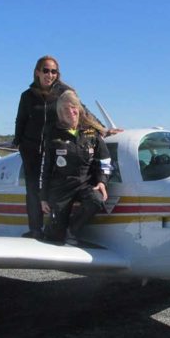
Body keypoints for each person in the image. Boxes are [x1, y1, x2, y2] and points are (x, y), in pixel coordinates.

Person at [12, 55, 111, 239]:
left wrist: (103, 130)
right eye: (46, 71)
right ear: (37, 72)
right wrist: (17, 141)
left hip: (55, 143)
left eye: (53, 71)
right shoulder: (27, 96)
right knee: (33, 188)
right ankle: (35, 229)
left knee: (54, 184)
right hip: (32, 147)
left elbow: (82, 111)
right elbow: (21, 119)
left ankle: (60, 224)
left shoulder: (64, 92)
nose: (50, 75)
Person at [39, 90, 111, 245]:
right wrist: (43, 197)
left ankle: (73, 230)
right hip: (61, 188)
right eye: (65, 109)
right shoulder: (53, 135)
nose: (70, 112)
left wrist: (102, 182)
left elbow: (104, 160)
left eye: (73, 107)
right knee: (55, 237)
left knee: (97, 200)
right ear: (60, 113)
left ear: (78, 108)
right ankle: (55, 229)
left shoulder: (92, 134)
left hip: (84, 184)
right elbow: (46, 168)